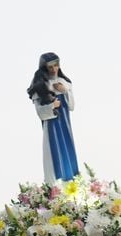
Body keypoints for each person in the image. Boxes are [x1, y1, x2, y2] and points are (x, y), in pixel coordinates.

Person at [27, 52, 78, 183]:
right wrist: (51, 106)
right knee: (53, 156)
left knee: (68, 154)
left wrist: (65, 91)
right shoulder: (41, 86)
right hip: (52, 127)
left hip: (65, 125)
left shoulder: (64, 83)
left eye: (56, 65)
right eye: (51, 67)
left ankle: (72, 184)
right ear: (44, 68)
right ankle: (54, 187)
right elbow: (40, 112)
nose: (54, 69)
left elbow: (71, 106)